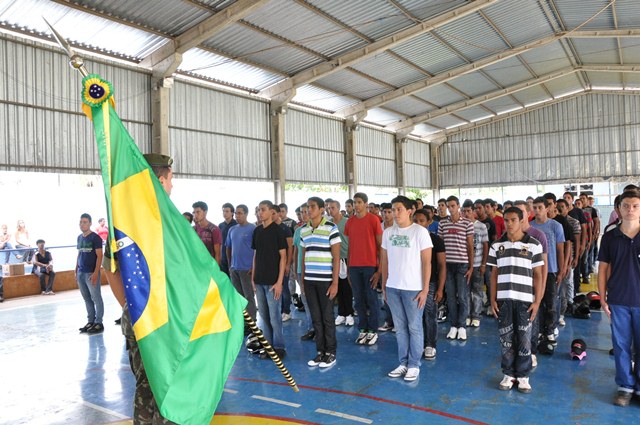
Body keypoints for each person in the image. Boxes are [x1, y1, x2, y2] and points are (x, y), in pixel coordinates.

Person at [102, 152, 176, 424]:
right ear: (159, 179)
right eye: (170, 180)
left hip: (139, 318)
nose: (172, 186)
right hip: (164, 321)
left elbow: (109, 271)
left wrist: (132, 306)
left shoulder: (121, 220)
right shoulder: (168, 223)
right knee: (168, 389)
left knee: (145, 387)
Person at [489, 207, 544, 394]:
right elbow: (494, 274)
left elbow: (538, 275)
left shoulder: (534, 245)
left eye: (513, 220)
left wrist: (537, 301)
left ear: (522, 221)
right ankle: (508, 373)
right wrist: (492, 298)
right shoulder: (497, 245)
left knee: (524, 339)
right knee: (505, 338)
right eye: (506, 220)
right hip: (504, 300)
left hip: (525, 302)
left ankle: (523, 376)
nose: (509, 223)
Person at [382, 196, 432, 381]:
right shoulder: (388, 233)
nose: (395, 213)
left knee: (414, 327)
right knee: (400, 328)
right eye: (393, 210)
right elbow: (384, 260)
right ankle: (402, 363)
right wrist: (384, 285)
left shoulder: (419, 232)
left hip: (413, 289)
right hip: (393, 287)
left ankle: (414, 364)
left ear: (410, 211)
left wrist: (425, 289)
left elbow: (427, 262)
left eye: (399, 209)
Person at [598, 190, 640, 407]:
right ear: (619, 209)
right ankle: (625, 387)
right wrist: (603, 298)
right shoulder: (609, 237)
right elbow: (603, 268)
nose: (630, 210)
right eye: (626, 206)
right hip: (618, 300)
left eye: (635, 206)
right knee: (621, 345)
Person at [301, 197, 341, 369]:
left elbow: (337, 258)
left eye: (312, 207)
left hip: (326, 281)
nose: (309, 210)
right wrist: (302, 280)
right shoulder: (304, 230)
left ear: (321, 209)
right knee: (315, 318)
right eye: (307, 207)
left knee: (327, 317)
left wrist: (335, 283)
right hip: (309, 281)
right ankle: (320, 352)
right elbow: (303, 257)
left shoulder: (331, 228)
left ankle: (330, 353)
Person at [344, 192, 383, 345]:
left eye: (359, 202)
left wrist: (379, 270)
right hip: (354, 266)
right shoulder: (350, 222)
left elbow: (380, 247)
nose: (356, 205)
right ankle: (363, 329)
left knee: (371, 298)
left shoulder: (374, 220)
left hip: (370, 265)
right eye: (355, 202)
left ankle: (373, 330)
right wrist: (348, 267)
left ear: (366, 204)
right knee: (358, 299)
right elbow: (349, 246)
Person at [252, 200, 288, 359]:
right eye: (259, 210)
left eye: (263, 210)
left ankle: (279, 347)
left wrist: (280, 282)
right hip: (259, 280)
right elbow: (255, 254)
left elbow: (283, 257)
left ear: (271, 212)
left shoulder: (278, 231)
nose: (260, 213)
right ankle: (268, 347)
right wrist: (253, 276)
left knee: (275, 317)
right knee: (264, 317)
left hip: (273, 282)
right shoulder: (257, 231)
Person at [438, 196, 474, 341]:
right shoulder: (442, 224)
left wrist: (471, 266)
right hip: (447, 265)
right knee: (451, 297)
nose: (451, 209)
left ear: (458, 206)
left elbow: (470, 246)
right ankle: (453, 325)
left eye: (453, 206)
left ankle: (462, 326)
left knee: (463, 297)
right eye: (448, 206)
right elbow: (440, 246)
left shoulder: (467, 224)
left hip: (462, 265)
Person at [413, 209, 446, 360]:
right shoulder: (410, 240)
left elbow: (441, 266)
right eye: (416, 221)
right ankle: (417, 344)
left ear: (428, 222)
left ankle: (430, 344)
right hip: (412, 282)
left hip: (430, 282)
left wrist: (440, 288)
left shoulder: (436, 240)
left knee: (430, 313)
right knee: (415, 315)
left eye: (422, 221)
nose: (418, 224)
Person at [226, 204, 256, 330]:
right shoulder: (232, 230)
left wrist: (254, 267)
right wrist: (230, 265)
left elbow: (257, 250)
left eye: (239, 213)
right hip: (235, 268)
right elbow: (228, 247)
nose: (237, 216)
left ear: (246, 214)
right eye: (236, 213)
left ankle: (251, 323)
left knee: (248, 296)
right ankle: (242, 321)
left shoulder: (252, 229)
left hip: (247, 269)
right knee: (238, 296)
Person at [327, 200, 354, 327]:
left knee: (347, 287)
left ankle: (349, 313)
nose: (330, 210)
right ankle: (341, 313)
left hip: (346, 258)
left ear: (338, 208)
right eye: (328, 208)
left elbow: (352, 241)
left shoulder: (347, 222)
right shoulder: (329, 224)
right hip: (333, 259)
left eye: (332, 208)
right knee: (337, 287)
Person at [76, 213, 104, 334]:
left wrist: (96, 273)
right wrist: (76, 269)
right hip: (81, 272)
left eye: (85, 222)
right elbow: (79, 254)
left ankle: (99, 322)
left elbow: (99, 256)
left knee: (96, 298)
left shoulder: (95, 238)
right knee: (87, 298)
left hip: (91, 273)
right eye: (81, 222)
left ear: (90, 223)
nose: (82, 224)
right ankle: (91, 321)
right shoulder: (79, 237)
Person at [463, 199, 488, 328]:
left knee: (477, 292)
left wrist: (484, 264)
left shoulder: (481, 226)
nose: (466, 214)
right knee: (465, 292)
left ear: (473, 212)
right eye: (464, 211)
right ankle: (467, 315)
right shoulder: (461, 226)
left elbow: (485, 246)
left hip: (478, 265)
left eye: (468, 211)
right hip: (464, 264)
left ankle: (476, 315)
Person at [192, 201, 222, 265]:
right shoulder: (193, 229)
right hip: (196, 265)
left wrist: (216, 271)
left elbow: (218, 254)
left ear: (205, 212)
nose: (195, 215)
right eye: (194, 212)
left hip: (210, 265)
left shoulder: (214, 229)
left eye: (198, 212)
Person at [219, 203, 237, 275]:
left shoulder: (236, 224)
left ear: (232, 213)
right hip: (223, 256)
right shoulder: (220, 225)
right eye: (223, 211)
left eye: (227, 211)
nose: (225, 213)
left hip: (234, 256)